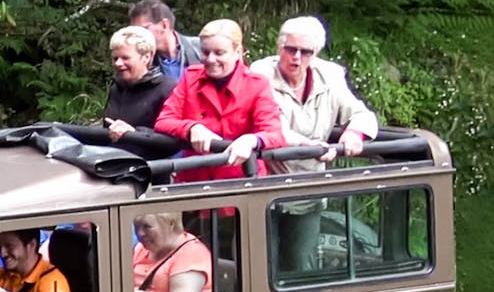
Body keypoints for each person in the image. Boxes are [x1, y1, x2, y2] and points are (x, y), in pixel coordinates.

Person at [251, 16, 379, 271]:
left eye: (305, 51)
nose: (296, 57)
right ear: (279, 48)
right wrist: (312, 146)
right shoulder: (260, 75)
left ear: (315, 53)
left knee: (300, 264)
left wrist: (353, 133)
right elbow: (270, 128)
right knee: (261, 266)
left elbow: (363, 114)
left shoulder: (329, 76)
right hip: (263, 186)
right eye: (291, 49)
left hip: (308, 188)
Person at [154, 18, 287, 183]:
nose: (210, 59)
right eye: (205, 52)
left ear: (238, 52)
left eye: (219, 53)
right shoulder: (191, 77)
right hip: (195, 180)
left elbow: (275, 134)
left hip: (241, 182)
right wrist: (191, 128)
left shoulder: (257, 84)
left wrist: (251, 140)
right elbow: (164, 121)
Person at [103, 25, 178, 158]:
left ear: (146, 57)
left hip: (150, 171)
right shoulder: (117, 88)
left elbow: (174, 141)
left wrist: (135, 133)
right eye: (115, 58)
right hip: (113, 166)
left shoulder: (167, 88)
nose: (118, 63)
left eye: (125, 58)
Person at [132, 213, 212, 292]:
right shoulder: (141, 248)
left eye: (147, 227)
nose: (140, 233)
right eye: (137, 227)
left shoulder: (191, 252)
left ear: (170, 224)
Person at [129, 0, 202, 81]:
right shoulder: (143, 60)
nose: (136, 36)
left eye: (143, 29)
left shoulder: (202, 48)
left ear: (164, 25)